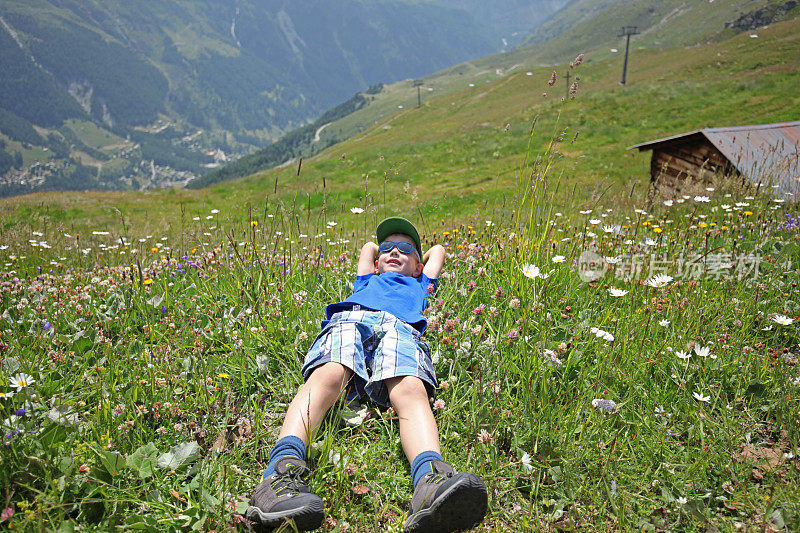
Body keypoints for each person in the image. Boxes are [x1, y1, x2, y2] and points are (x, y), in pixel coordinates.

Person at [246, 217, 488, 532]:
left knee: (410, 389)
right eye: (388, 248)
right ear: (375, 263)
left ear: (418, 267)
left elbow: (438, 251)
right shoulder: (366, 280)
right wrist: (383, 251)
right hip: (352, 319)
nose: (394, 252)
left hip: (400, 328)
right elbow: (368, 247)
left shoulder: (420, 285)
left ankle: (430, 478)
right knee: (328, 375)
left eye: (405, 249)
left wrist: (414, 255)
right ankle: (278, 475)